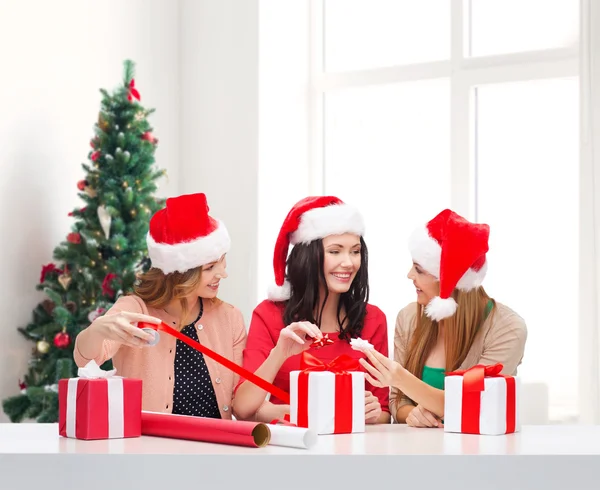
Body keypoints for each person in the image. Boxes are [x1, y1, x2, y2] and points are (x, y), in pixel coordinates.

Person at [73, 193, 246, 419]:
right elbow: (86, 361)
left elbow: (241, 401)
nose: (222, 273)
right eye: (210, 267)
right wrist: (97, 330)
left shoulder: (229, 318)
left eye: (222, 261)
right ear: (182, 273)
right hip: (150, 449)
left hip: (214, 449)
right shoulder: (134, 310)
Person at [359, 209, 527, 428]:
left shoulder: (507, 328)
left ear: (448, 280)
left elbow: (476, 405)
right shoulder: (409, 318)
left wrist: (400, 378)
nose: (410, 275)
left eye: (419, 269)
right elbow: (397, 402)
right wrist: (412, 414)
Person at [233, 196, 390, 424]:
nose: (349, 262)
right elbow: (243, 408)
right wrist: (280, 352)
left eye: (355, 251)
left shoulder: (373, 319)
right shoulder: (269, 315)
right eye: (335, 251)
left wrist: (374, 413)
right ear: (308, 256)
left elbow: (384, 412)